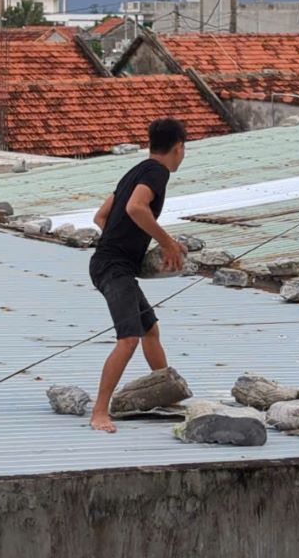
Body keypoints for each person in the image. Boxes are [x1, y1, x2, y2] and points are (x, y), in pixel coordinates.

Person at [88, 118, 188, 433]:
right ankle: (99, 412)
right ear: (179, 148)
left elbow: (101, 216)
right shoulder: (157, 172)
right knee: (128, 338)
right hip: (113, 267)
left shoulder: (135, 171)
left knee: (150, 330)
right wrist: (167, 243)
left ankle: (168, 393)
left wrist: (124, 242)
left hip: (112, 263)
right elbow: (135, 208)